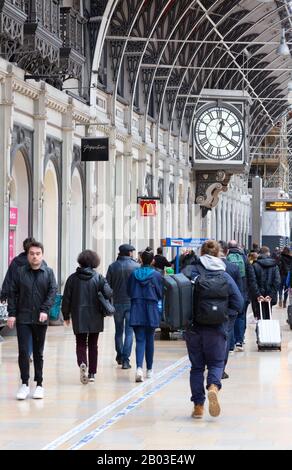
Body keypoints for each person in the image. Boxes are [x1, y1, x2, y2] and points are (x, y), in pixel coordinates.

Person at [185, 240, 243, 419]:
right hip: (217, 328)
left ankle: (198, 407)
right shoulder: (224, 275)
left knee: (196, 367)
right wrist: (225, 315)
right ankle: (213, 387)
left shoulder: (190, 271)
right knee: (217, 364)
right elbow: (239, 303)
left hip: (194, 327)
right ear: (219, 253)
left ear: (201, 252)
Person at [7, 241, 57, 400]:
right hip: (23, 317)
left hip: (40, 319)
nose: (35, 256)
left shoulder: (48, 273)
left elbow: (52, 292)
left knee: (38, 352)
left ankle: (39, 384)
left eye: (38, 254)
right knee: (23, 351)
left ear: (42, 255)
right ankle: (24, 384)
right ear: (27, 255)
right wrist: (12, 313)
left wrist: (45, 310)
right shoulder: (20, 272)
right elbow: (13, 293)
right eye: (32, 254)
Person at [62, 250, 113, 384]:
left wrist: (66, 315)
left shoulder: (72, 278)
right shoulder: (99, 277)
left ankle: (82, 363)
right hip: (95, 315)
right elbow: (108, 294)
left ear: (80, 261)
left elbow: (66, 299)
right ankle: (91, 373)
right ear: (94, 262)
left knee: (80, 343)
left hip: (78, 315)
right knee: (93, 345)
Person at [127, 250, 163, 382]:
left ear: (141, 259)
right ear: (152, 260)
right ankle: (149, 369)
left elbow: (129, 291)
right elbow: (160, 293)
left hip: (137, 308)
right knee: (150, 340)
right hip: (151, 308)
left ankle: (138, 368)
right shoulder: (157, 275)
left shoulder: (133, 274)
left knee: (140, 340)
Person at [1, 237, 36, 359]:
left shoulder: (16, 261)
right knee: (33, 328)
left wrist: (4, 294)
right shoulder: (38, 261)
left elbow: (8, 279)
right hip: (34, 301)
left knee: (23, 328)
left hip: (18, 301)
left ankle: (25, 351)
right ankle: (29, 352)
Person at [106, 244, 140, 369]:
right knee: (129, 333)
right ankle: (126, 360)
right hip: (132, 303)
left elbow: (107, 286)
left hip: (117, 303)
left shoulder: (112, 266)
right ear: (129, 253)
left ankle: (120, 356)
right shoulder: (136, 266)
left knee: (118, 331)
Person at [249, 246, 281, 320]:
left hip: (258, 296)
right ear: (268, 253)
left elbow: (252, 282)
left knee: (259, 317)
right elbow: (277, 281)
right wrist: (270, 295)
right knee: (268, 314)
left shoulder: (254, 265)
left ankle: (260, 330)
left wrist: (258, 294)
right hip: (269, 296)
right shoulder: (274, 266)